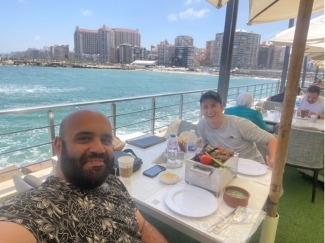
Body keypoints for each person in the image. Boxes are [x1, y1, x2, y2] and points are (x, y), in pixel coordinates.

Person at [0, 110, 168, 243]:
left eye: (106, 140)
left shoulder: (113, 181)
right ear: (59, 146)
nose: (99, 149)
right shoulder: (35, 208)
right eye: (84, 138)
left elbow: (143, 226)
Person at [198, 91, 277, 167]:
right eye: (205, 107)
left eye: (213, 105)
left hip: (253, 167)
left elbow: (271, 139)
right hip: (226, 168)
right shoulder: (202, 124)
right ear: (201, 110)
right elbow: (206, 150)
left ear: (222, 108)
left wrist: (274, 160)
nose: (210, 111)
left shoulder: (240, 124)